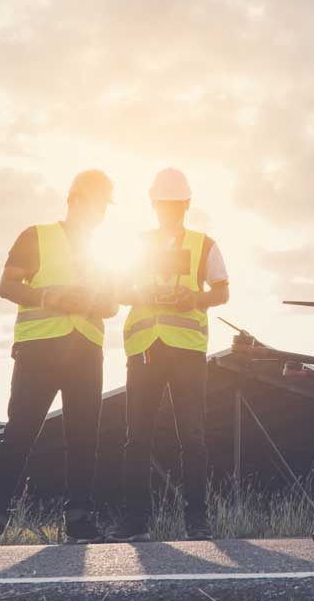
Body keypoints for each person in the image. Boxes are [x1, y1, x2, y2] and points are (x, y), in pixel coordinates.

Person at [0, 170, 118, 547]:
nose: (101, 211)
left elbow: (112, 304)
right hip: (39, 349)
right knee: (19, 433)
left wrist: (89, 301)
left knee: (84, 438)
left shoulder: (105, 252)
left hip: (85, 348)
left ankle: (80, 521)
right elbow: (7, 285)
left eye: (105, 205)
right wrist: (49, 296)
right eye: (97, 201)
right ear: (75, 198)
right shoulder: (36, 236)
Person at [107, 167, 229, 542]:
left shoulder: (204, 244)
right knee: (137, 438)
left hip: (187, 350)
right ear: (153, 204)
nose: (168, 210)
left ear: (186, 204)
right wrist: (140, 294)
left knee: (192, 436)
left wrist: (195, 298)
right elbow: (118, 290)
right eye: (163, 204)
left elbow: (222, 292)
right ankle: (136, 523)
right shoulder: (138, 244)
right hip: (145, 347)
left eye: (174, 204)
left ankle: (197, 521)